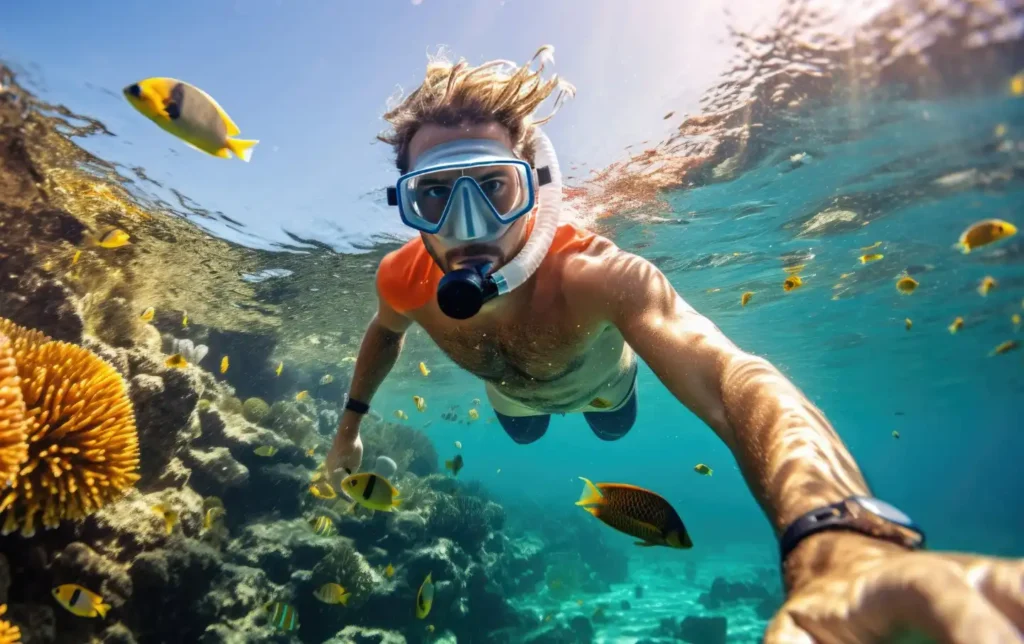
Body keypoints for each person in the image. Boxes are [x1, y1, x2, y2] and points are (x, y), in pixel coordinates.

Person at [328, 46, 1024, 642]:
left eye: (493, 189)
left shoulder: (599, 275)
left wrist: (837, 535)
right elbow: (382, 334)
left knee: (611, 425)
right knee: (525, 433)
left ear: (536, 190)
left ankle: (606, 408)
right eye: (434, 198)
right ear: (407, 207)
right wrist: (348, 430)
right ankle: (532, 407)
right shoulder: (401, 279)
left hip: (606, 386)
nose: (468, 224)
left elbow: (731, 378)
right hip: (511, 396)